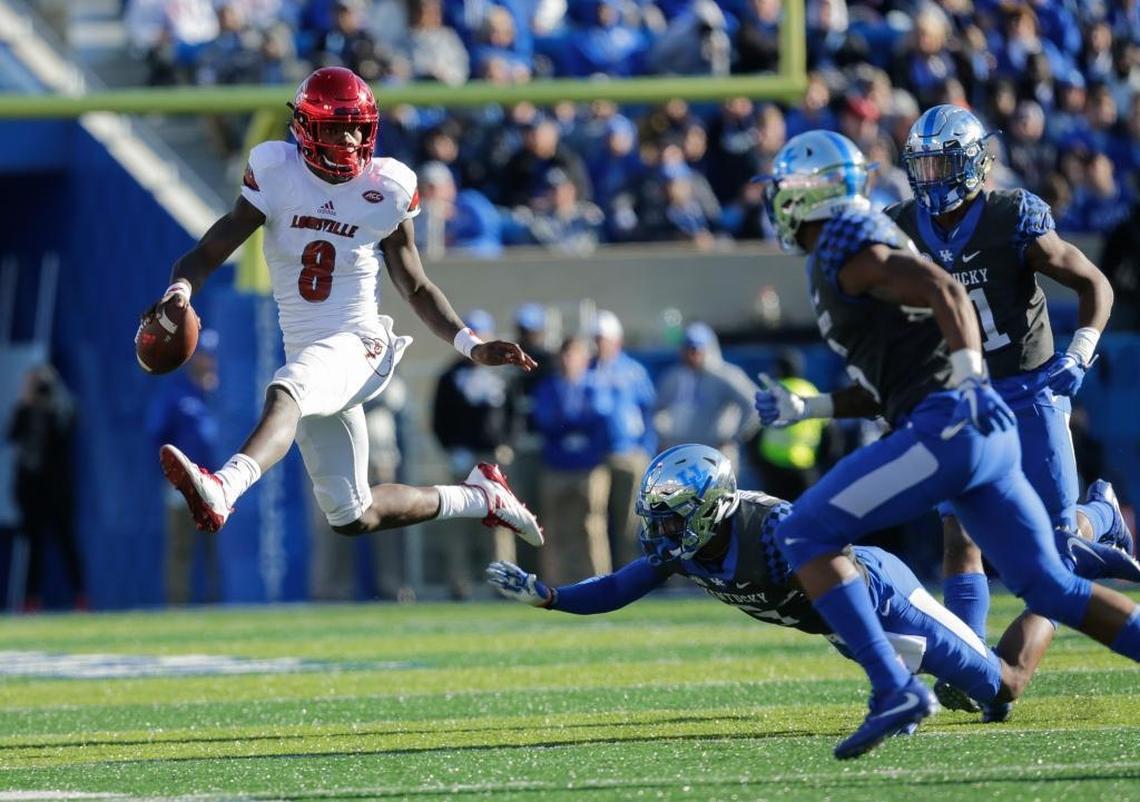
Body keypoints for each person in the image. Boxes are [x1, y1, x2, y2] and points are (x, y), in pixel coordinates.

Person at [749, 129, 1140, 759]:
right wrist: (810, 406)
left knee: (802, 533)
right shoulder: (848, 252)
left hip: (949, 427)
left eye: (785, 191)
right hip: (970, 430)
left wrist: (967, 375)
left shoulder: (849, 232)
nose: (777, 203)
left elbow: (947, 291)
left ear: (812, 194)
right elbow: (890, 383)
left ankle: (892, 688)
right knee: (1050, 589)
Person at [142, 66, 543, 553]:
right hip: (313, 354)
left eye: (358, 126)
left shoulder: (389, 186)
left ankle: (224, 487)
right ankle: (480, 496)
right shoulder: (275, 171)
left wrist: (471, 344)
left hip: (362, 345)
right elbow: (208, 252)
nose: (351, 138)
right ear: (306, 127)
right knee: (353, 515)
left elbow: (414, 284)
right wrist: (180, 290)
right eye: (336, 127)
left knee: (287, 388)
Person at [488, 445, 1114, 725]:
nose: (661, 532)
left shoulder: (775, 530)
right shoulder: (693, 545)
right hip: (848, 629)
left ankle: (1077, 560)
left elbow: (846, 574)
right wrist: (551, 596)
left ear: (709, 508)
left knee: (1002, 690)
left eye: (672, 518)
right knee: (964, 686)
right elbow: (619, 586)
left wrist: (887, 673)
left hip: (883, 603)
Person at [875, 105, 1138, 671]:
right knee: (958, 532)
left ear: (971, 164)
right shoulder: (897, 225)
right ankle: (970, 660)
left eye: (942, 164)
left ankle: (1102, 517)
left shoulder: (1010, 214)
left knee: (1058, 548)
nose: (930, 179)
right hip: (960, 400)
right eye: (921, 166)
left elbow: (1093, 282)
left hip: (1029, 388)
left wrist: (1081, 349)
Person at [431, 309, 518, 598]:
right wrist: (451, 448)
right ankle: (460, 583)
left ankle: (503, 582)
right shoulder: (450, 376)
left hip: (494, 456)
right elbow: (438, 419)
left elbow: (513, 415)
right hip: (463, 456)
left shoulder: (503, 375)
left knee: (502, 519)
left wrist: (507, 443)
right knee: (459, 521)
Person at [146, 328, 223, 605]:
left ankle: (220, 605)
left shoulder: (223, 391)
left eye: (212, 356)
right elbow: (157, 433)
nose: (208, 361)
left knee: (219, 549)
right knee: (181, 546)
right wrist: (169, 474)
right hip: (184, 484)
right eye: (203, 355)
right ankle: (177, 605)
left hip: (222, 482)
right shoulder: (176, 392)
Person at [532, 335, 613, 585]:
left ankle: (599, 581)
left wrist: (569, 425)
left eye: (574, 354)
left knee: (591, 527)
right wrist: (573, 426)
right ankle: (557, 584)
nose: (568, 361)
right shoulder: (548, 387)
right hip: (556, 466)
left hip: (589, 467)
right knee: (554, 530)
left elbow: (600, 419)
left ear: (584, 358)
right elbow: (546, 422)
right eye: (565, 355)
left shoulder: (595, 386)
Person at [7, 365, 84, 611]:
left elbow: (68, 425)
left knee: (66, 544)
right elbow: (11, 434)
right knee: (35, 548)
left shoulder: (60, 411)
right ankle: (31, 600)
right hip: (33, 494)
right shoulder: (25, 412)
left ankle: (81, 597)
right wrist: (26, 401)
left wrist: (56, 396)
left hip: (58, 492)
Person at [590, 310, 656, 568]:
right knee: (596, 521)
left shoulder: (632, 371)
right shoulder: (588, 368)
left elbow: (648, 412)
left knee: (630, 522)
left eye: (603, 339)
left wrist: (645, 449)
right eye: (596, 339)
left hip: (629, 453)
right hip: (596, 457)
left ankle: (630, 573)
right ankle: (603, 574)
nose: (599, 344)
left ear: (616, 340)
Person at [653, 322, 758, 470]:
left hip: (716, 453)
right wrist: (664, 437)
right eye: (686, 349)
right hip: (682, 452)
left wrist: (735, 437)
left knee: (719, 493)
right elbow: (658, 409)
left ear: (708, 350)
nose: (690, 355)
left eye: (695, 349)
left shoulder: (726, 376)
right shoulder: (674, 376)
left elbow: (753, 405)